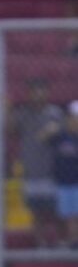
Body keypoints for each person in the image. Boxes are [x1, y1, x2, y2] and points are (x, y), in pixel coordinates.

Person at [8, 78, 63, 247]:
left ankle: (59, 242)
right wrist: (7, 111)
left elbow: (67, 133)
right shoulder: (23, 113)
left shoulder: (55, 113)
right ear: (29, 93)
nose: (38, 94)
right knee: (36, 211)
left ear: (47, 92)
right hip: (31, 170)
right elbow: (11, 130)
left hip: (53, 170)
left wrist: (56, 130)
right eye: (34, 91)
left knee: (56, 210)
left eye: (41, 90)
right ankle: (40, 243)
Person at [47, 100, 78, 247]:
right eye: (73, 118)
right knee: (65, 215)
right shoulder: (61, 136)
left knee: (74, 215)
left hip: (76, 182)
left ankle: (74, 241)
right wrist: (52, 129)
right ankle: (68, 241)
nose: (75, 121)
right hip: (63, 182)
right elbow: (42, 138)